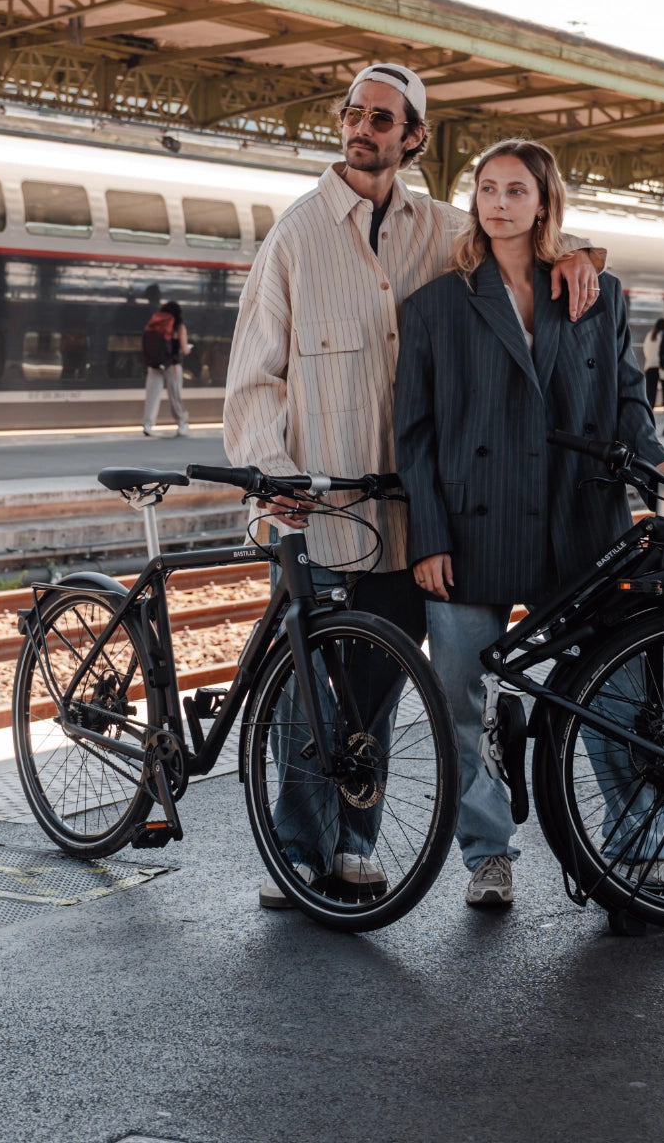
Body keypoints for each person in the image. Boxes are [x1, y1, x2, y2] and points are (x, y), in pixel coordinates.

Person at [223, 63, 604, 909]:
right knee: (307, 692)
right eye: (355, 114)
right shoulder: (295, 236)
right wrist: (274, 477)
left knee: (375, 689)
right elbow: (253, 377)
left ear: (413, 137)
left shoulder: (442, 230)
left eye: (383, 120)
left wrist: (580, 256)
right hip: (317, 510)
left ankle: (353, 844)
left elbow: (521, 246)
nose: (364, 129)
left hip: (404, 515)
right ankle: (297, 852)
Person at [394, 139, 664, 908]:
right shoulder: (436, 305)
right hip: (472, 530)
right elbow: (416, 433)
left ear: (544, 205)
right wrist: (428, 535)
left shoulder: (596, 293)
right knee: (459, 704)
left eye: (515, 191)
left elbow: (629, 399)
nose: (498, 202)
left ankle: (637, 848)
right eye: (487, 189)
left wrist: (656, 459)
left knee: (617, 695)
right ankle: (488, 854)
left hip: (581, 526)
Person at [142, 299, 191, 437]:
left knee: (152, 395)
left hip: (154, 364)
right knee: (175, 395)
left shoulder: (155, 323)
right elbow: (184, 349)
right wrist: (188, 349)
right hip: (172, 365)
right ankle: (182, 423)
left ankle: (148, 424)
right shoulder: (178, 326)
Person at [642, 318, 664, 410]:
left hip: (649, 365)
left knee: (650, 389)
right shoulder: (663, 335)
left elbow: (645, 349)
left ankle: (649, 407)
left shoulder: (649, 335)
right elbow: (663, 350)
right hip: (660, 366)